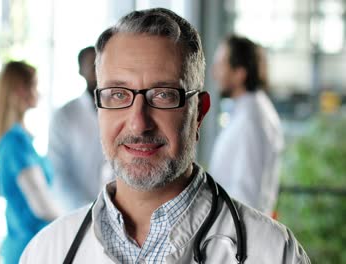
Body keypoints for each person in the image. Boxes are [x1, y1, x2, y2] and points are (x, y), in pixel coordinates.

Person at [20, 8, 310, 264]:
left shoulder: (272, 253)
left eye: (163, 95)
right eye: (118, 94)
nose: (138, 123)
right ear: (98, 109)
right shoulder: (46, 252)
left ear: (199, 112)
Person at [0, 61, 59, 264]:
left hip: (33, 246)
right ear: (20, 90)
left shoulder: (22, 140)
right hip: (27, 249)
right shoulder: (14, 143)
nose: (39, 92)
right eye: (35, 85)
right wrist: (79, 224)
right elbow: (41, 205)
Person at [209, 35, 284, 214]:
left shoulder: (252, 119)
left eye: (221, 65)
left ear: (239, 73)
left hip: (238, 234)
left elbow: (247, 195)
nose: (214, 73)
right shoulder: (248, 112)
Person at [48, 46, 106, 211]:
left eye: (102, 64)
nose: (98, 70)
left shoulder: (124, 110)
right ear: (81, 70)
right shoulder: (65, 115)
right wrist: (86, 210)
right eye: (92, 65)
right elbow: (58, 172)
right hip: (78, 210)